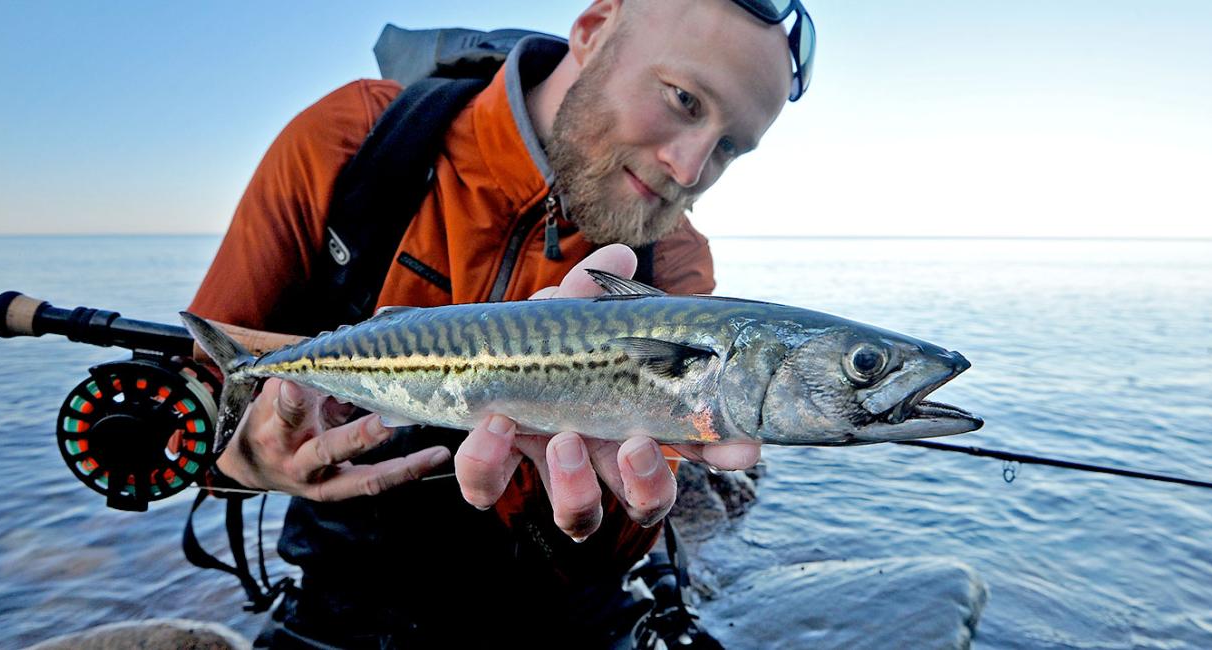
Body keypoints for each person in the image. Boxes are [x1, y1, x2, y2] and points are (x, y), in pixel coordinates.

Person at [187, 0, 814, 646]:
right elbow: (184, 410)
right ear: (594, 32)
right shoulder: (356, 138)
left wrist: (601, 512)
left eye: (729, 148)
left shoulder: (675, 260)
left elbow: (627, 537)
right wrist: (238, 458)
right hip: (340, 611)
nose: (690, 170)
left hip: (554, 622)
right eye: (684, 99)